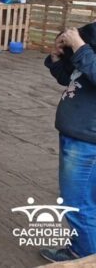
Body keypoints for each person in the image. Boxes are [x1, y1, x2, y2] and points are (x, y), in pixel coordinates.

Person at [41, 22, 96, 263]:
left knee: (77, 204)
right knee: (86, 202)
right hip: (77, 134)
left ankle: (84, 256)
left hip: (87, 140)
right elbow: (70, 79)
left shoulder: (86, 46)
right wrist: (57, 57)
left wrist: (81, 47)